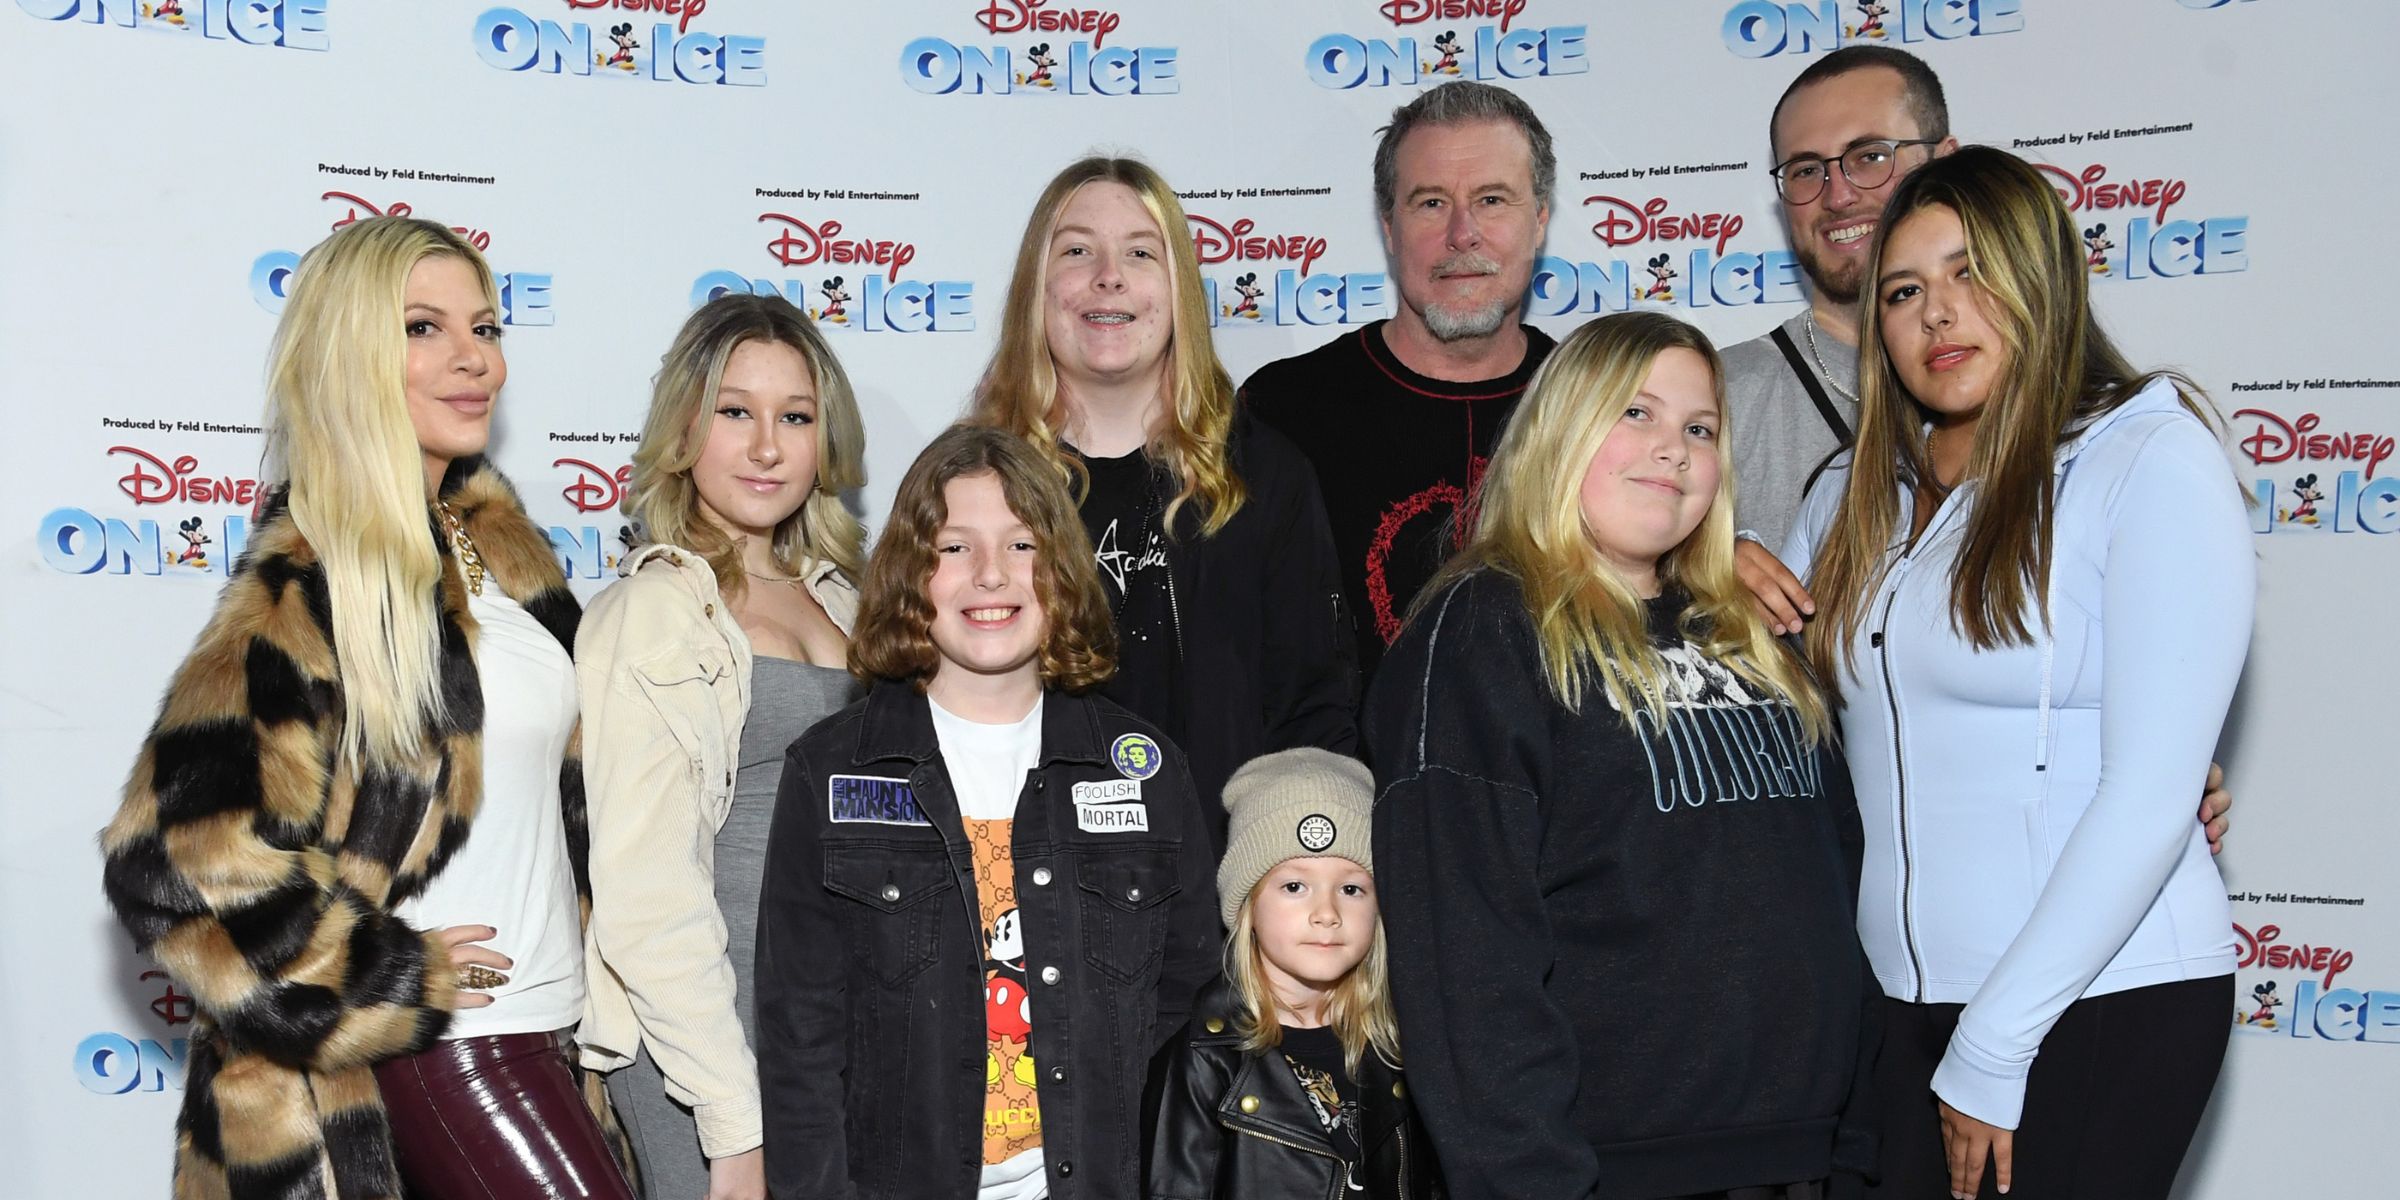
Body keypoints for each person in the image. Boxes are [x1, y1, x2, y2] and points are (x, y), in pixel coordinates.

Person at [99, 216, 635, 1199]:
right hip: (451, 1050)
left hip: (557, 1028)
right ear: (349, 355)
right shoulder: (315, 580)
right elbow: (169, 861)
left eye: (486, 327)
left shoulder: (497, 550)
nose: (475, 359)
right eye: (423, 328)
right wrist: (382, 974)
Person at [1782, 146, 2250, 1200]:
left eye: (1972, 273)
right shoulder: (1850, 495)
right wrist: (1721, 566)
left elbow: (2151, 795)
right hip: (1895, 1006)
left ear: (2043, 280)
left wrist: (1996, 1044)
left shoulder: (2147, 460)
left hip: (2097, 1001)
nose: (1940, 314)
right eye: (1904, 291)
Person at [1366, 312, 1875, 1200]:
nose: (1673, 448)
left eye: (1700, 429)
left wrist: (1861, 1131)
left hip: (1805, 1159)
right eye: (1636, 413)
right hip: (1604, 1170)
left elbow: (1839, 881)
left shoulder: (1752, 635)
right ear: (1561, 428)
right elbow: (1464, 953)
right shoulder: (1486, 626)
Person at [1726, 47, 2235, 853]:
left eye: (1870, 155)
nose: (1839, 192)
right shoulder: (1716, 403)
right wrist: (1698, 574)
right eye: (1805, 170)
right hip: (1837, 891)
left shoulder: (2125, 447)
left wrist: (2142, 764)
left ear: (1946, 160)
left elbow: (2117, 729)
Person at [755, 424, 1222, 1200]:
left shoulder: (1145, 771)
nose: (991, 574)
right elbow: (799, 1039)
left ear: (1061, 571)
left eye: (1021, 545)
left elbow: (1189, 1006)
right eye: (954, 547)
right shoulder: (831, 771)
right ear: (910, 572)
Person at [576, 293, 867, 1200]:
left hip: (835, 1012)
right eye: (735, 412)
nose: (767, 446)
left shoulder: (850, 601)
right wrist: (731, 1116)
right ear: (685, 427)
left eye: (796, 417)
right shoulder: (653, 611)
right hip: (703, 1029)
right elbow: (645, 888)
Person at [971, 156, 1356, 824]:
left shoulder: (1265, 478)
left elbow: (1314, 716)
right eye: (1077, 250)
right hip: (1019, 871)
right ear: (1038, 285)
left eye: (1141, 252)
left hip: (1218, 876)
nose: (1109, 276)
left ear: (1178, 288)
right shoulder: (972, 483)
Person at [1243, 80, 1559, 683]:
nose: (1462, 233)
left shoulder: (1603, 408)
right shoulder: (1281, 412)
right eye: (1431, 203)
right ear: (1389, 226)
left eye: (1493, 199)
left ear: (1539, 219)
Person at [1145, 748, 1442, 1200]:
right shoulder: (1201, 1060)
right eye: (1295, 886)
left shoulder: (1397, 1045)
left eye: (1351, 888)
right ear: (1248, 906)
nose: (1327, 912)